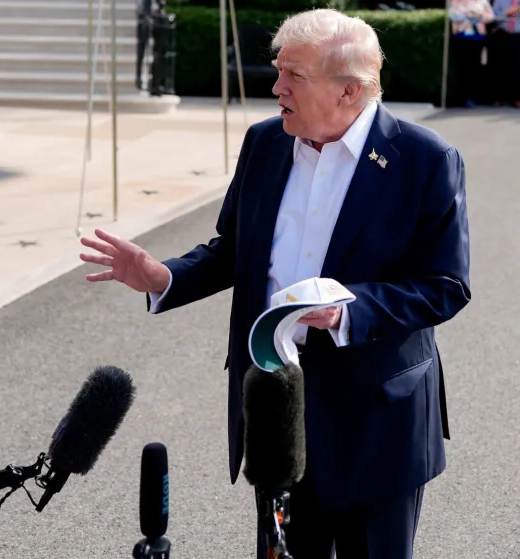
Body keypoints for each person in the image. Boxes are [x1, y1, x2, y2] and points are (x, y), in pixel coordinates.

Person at [79, 9, 470, 559]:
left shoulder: (426, 161)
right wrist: (165, 276)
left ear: (349, 91)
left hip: (378, 423)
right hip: (276, 412)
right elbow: (234, 251)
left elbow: (445, 284)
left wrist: (348, 312)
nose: (277, 87)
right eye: (278, 70)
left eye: (295, 76)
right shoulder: (265, 143)